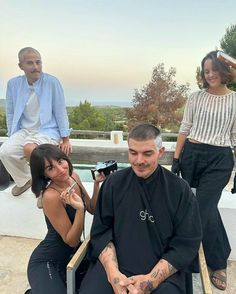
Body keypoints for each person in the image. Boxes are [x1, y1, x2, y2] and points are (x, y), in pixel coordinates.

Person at [79, 123, 202, 294]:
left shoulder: (180, 190)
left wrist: (151, 280)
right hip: (117, 265)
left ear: (160, 152)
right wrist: (114, 276)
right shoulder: (113, 184)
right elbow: (101, 232)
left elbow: (186, 243)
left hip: (162, 270)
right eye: (133, 153)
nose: (139, 161)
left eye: (147, 153)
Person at [171, 50, 236, 291]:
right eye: (206, 71)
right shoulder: (195, 97)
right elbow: (184, 128)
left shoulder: (235, 100)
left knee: (202, 208)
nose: (210, 75)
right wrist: (176, 159)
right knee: (201, 208)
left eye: (214, 69)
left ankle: (206, 262)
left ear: (224, 70)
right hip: (192, 155)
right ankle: (219, 254)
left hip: (219, 160)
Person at [26, 144, 106, 294]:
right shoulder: (51, 196)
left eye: (60, 161)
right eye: (51, 168)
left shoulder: (73, 177)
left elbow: (92, 208)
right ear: (44, 175)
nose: (61, 169)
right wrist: (79, 210)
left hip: (71, 257)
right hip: (47, 261)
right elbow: (71, 240)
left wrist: (96, 184)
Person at [0, 47, 72, 196]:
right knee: (6, 151)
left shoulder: (52, 82)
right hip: (24, 130)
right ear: (21, 66)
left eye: (38, 62)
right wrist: (12, 135)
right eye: (30, 63)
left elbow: (60, 110)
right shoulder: (14, 84)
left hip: (48, 130)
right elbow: (11, 112)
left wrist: (65, 138)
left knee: (30, 149)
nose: (35, 67)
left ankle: (44, 189)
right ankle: (26, 180)